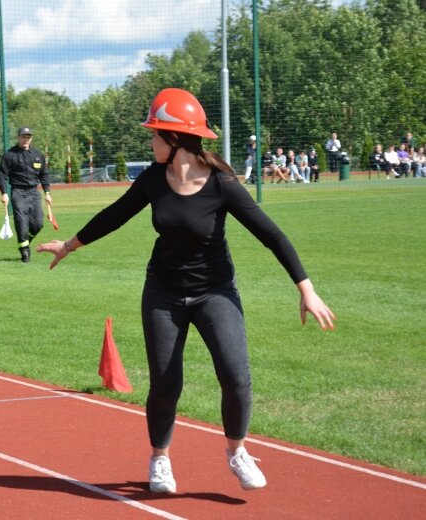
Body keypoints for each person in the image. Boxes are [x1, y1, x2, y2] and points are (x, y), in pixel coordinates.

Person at [37, 88, 335, 494]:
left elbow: (272, 235)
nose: (150, 142)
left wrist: (307, 290)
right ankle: (160, 459)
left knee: (236, 377)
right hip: (163, 293)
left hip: (215, 292)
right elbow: (116, 215)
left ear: (173, 139)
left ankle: (237, 452)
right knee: (165, 383)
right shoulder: (153, 180)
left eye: (154, 135)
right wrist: (69, 245)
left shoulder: (221, 184)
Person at [0, 126, 52, 262]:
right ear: (18, 138)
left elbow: (44, 175)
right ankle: (24, 252)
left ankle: (25, 241)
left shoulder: (38, 155)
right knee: (22, 222)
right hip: (18, 192)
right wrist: (4, 193)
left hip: (34, 192)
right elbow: (2, 175)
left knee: (38, 224)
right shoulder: (10, 155)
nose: (26, 140)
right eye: (23, 137)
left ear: (31, 138)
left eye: (28, 137)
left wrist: (47, 192)